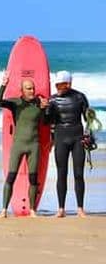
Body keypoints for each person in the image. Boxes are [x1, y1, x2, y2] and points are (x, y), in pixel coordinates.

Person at [0, 72, 49, 218]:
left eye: (32, 88)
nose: (31, 91)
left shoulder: (39, 104)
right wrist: (3, 84)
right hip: (18, 145)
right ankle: (4, 210)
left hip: (34, 145)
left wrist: (46, 109)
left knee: (33, 178)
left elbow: (46, 122)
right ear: (22, 90)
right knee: (11, 177)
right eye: (28, 88)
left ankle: (32, 210)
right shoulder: (16, 103)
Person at [46, 71, 91, 217]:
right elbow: (47, 121)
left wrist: (88, 135)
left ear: (68, 84)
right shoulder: (52, 100)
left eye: (60, 84)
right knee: (61, 173)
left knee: (79, 174)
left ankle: (80, 208)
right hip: (61, 139)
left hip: (78, 138)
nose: (57, 87)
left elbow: (88, 119)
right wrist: (45, 109)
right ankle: (61, 209)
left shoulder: (80, 97)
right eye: (56, 84)